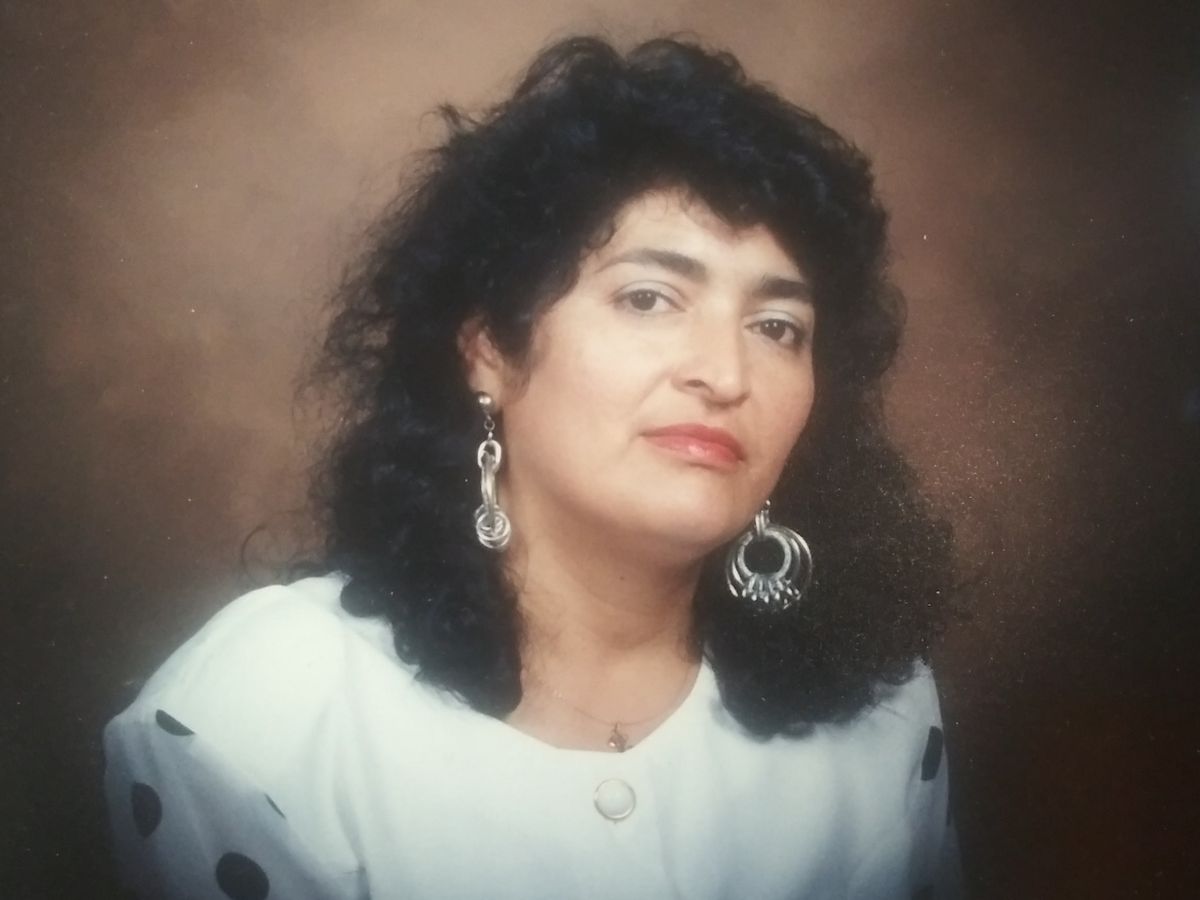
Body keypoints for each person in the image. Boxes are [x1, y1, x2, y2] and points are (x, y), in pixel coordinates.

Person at [103, 35, 961, 900]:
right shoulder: (254, 721)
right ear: (488, 349)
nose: (726, 374)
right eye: (648, 298)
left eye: (777, 327)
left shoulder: (883, 711)